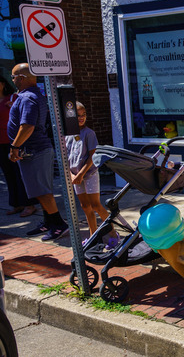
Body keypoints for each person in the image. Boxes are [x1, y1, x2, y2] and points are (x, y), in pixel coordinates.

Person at [7, 63, 69, 241]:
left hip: (34, 150)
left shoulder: (28, 98)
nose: (13, 80)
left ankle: (58, 225)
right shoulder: (29, 96)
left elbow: (27, 126)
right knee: (38, 190)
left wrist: (15, 147)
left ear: (22, 78)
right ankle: (48, 222)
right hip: (33, 151)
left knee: (43, 191)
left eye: (14, 77)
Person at [66, 102, 119, 248]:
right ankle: (93, 236)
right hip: (76, 176)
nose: (81, 118)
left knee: (95, 205)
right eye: (78, 116)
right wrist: (72, 175)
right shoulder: (67, 134)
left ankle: (113, 234)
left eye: (84, 115)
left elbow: (92, 156)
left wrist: (81, 173)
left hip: (89, 174)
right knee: (85, 206)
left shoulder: (89, 133)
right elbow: (66, 157)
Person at [0, 76, 37, 217]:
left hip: (14, 141)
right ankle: (17, 204)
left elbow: (24, 118)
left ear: (2, 84)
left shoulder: (13, 98)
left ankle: (29, 204)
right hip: (1, 143)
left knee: (19, 174)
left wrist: (12, 108)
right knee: (8, 174)